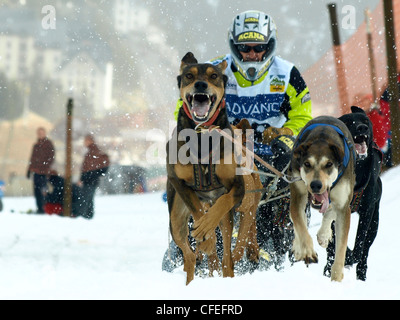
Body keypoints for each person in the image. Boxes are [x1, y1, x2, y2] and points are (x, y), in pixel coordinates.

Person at [164, 10, 312, 271]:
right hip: (222, 149)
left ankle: (270, 246)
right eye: (244, 48)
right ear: (234, 45)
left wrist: (287, 142)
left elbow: (302, 116)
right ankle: (182, 247)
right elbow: (184, 111)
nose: (252, 54)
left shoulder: (288, 74)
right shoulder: (211, 72)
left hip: (267, 150)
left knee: (277, 189)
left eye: (259, 48)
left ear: (270, 46)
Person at [77, 134, 110, 219]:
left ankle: (85, 216)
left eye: (85, 141)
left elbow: (88, 167)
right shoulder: (92, 151)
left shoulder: (93, 152)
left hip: (90, 180)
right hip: (91, 179)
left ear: (90, 141)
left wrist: (87, 176)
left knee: (85, 199)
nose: (84, 143)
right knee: (89, 199)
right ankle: (88, 215)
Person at [27, 127, 55, 213]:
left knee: (43, 191)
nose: (40, 134)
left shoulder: (48, 144)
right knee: (37, 191)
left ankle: (44, 208)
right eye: (39, 133)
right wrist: (29, 169)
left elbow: (51, 157)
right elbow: (32, 158)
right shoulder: (36, 145)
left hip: (44, 172)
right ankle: (39, 208)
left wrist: (46, 167)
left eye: (42, 133)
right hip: (36, 172)